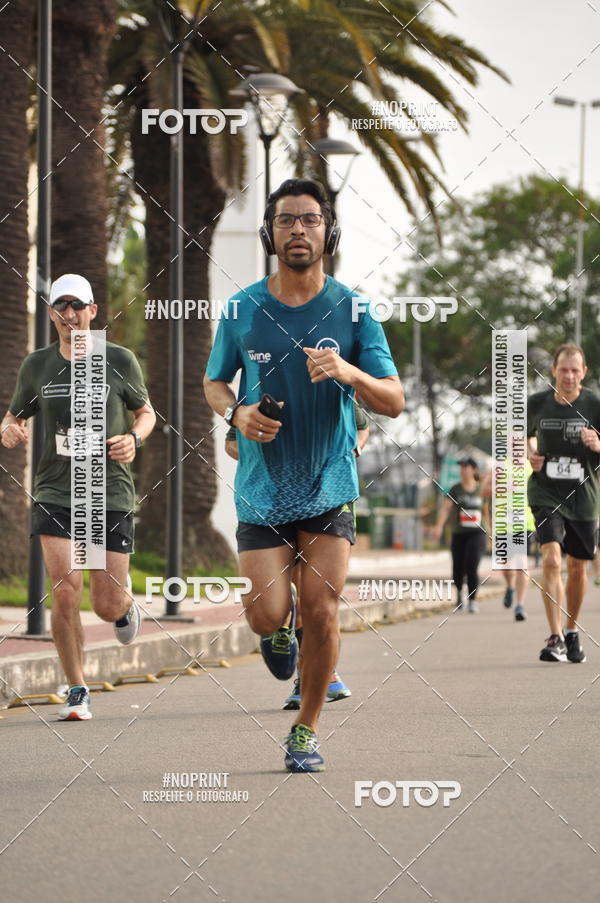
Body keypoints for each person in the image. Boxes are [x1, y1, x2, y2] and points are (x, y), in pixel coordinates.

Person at [204, 178, 403, 772]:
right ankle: (275, 631)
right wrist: (236, 412)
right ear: (270, 232)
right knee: (269, 614)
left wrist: (348, 372)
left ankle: (305, 729)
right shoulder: (242, 309)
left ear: (328, 232)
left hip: (328, 482)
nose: (298, 229)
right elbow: (215, 381)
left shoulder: (354, 309)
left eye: (310, 220)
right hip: (263, 487)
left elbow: (393, 399)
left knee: (321, 609)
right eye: (286, 220)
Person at [0, 273, 156, 719]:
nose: (69, 315)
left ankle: (126, 607)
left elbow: (145, 413)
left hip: (109, 490)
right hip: (55, 489)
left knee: (104, 603)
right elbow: (12, 415)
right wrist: (10, 430)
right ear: (51, 314)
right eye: (60, 307)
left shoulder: (119, 360)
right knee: (65, 590)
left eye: (77, 306)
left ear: (93, 312)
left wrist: (135, 439)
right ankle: (76, 688)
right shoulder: (37, 365)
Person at [224, 405, 370, 708]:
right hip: (271, 500)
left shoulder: (329, 383)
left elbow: (361, 428)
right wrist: (267, 455)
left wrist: (348, 452)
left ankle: (318, 676)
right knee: (291, 587)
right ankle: (286, 624)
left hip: (326, 497)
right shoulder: (260, 393)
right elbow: (232, 441)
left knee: (318, 595)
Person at [527, 343, 600, 663]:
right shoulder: (537, 403)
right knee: (552, 560)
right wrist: (530, 452)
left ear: (583, 373)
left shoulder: (595, 404)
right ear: (553, 370)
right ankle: (554, 636)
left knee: (577, 567)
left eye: (575, 370)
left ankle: (572, 631)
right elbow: (521, 435)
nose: (569, 375)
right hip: (546, 491)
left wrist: (598, 443)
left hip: (584, 495)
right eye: (563, 369)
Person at [481, 460, 536, 621]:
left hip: (524, 522)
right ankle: (510, 587)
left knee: (522, 563)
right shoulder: (499, 466)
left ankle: (520, 605)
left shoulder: (530, 465)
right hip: (503, 524)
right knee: (507, 566)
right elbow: (484, 490)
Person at [432, 457, 487, 613]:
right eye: (461, 467)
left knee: (472, 565)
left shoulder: (481, 489)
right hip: (459, 533)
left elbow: (486, 512)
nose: (462, 470)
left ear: (473, 469)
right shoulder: (455, 489)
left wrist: (492, 532)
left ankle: (472, 600)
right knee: (458, 567)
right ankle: (459, 595)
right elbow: (446, 509)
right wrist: (439, 526)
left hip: (477, 533)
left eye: (466, 467)